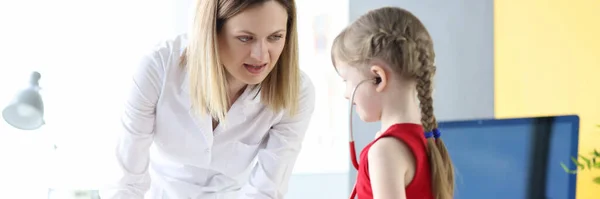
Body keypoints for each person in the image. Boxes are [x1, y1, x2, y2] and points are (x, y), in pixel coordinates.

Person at [99, 0, 315, 198]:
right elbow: (125, 182)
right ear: (212, 31)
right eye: (245, 38)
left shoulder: (297, 92)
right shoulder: (159, 67)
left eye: (275, 37)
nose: (261, 56)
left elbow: (266, 190)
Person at [331, 7, 455, 199]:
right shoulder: (426, 142)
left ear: (377, 78)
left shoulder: (385, 152)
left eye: (346, 80)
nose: (346, 94)